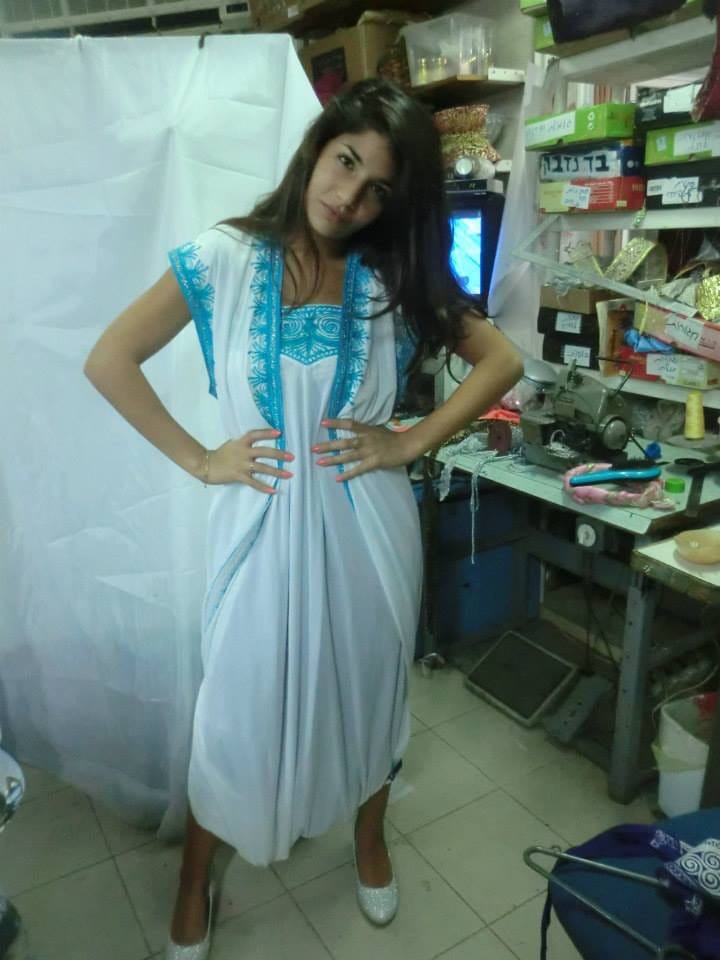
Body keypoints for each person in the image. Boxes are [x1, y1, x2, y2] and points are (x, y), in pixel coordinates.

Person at [84, 78, 522, 959]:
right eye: (345, 162)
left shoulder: (393, 276)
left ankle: (369, 838)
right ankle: (196, 877)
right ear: (317, 147)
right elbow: (111, 358)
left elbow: (502, 359)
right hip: (258, 531)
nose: (349, 196)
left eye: (377, 189)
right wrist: (203, 460)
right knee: (237, 710)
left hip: (370, 531)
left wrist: (409, 442)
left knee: (369, 691)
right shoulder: (223, 258)